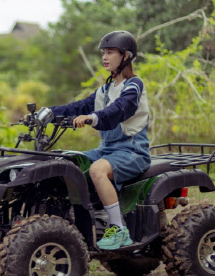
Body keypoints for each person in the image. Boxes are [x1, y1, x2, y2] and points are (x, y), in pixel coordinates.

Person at [50, 31, 150, 250]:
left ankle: (119, 229)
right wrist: (48, 113)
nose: (105, 57)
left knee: (97, 170)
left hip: (132, 151)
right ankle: (68, 220)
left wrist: (93, 118)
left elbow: (120, 109)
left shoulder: (134, 86)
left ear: (125, 56)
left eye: (111, 52)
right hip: (106, 149)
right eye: (104, 53)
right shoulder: (104, 90)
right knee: (67, 163)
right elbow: (76, 107)